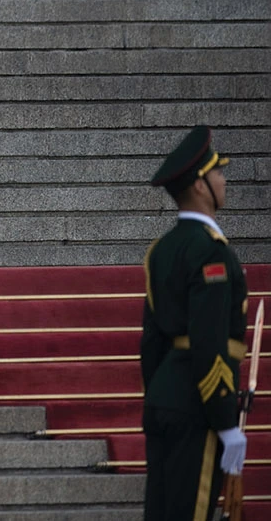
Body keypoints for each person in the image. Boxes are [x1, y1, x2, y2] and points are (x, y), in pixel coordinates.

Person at [140, 125, 248, 519]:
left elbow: (150, 341)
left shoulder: (162, 250)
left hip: (165, 398)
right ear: (200, 186)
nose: (223, 180)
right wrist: (224, 418)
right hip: (197, 403)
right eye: (217, 172)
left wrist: (157, 397)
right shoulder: (209, 250)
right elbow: (207, 339)